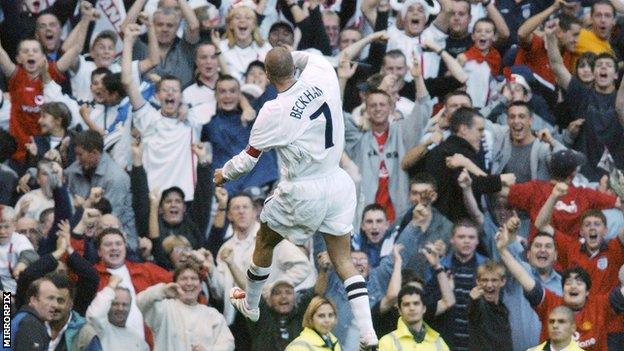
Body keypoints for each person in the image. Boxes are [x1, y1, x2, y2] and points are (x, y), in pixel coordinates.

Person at [214, 48, 379, 347]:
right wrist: (288, 55)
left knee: (264, 240)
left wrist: (223, 173)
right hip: (337, 181)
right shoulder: (323, 72)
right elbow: (308, 55)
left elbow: (248, 160)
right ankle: (368, 331)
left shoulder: (273, 112)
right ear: (294, 65)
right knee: (344, 260)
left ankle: (250, 304)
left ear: (266, 75)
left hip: (303, 189)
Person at [137, 264, 235, 351]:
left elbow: (228, 344)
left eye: (193, 279)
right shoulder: (164, 308)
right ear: (175, 283)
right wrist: (162, 291)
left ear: (200, 286)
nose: (189, 283)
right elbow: (139, 303)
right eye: (183, 278)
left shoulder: (213, 315)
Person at [84, 274, 149, 350]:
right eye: (115, 304)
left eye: (124, 304)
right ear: (108, 305)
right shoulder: (100, 329)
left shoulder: (139, 341)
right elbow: (94, 315)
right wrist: (111, 286)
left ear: (130, 306)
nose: (120, 308)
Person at [378, 285, 449, 351]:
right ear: (399, 311)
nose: (412, 308)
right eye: (406, 304)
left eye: (416, 303)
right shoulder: (387, 342)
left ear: (424, 308)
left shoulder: (439, 342)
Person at [467, 261, 512, 351]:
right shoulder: (479, 306)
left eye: (494, 280)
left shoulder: (503, 309)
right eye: (484, 280)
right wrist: (473, 300)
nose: (489, 285)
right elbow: (473, 311)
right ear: (478, 282)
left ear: (503, 281)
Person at [12, 277, 60, 350]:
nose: (55, 305)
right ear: (33, 300)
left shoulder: (23, 317)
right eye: (50, 298)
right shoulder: (30, 324)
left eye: (57, 300)